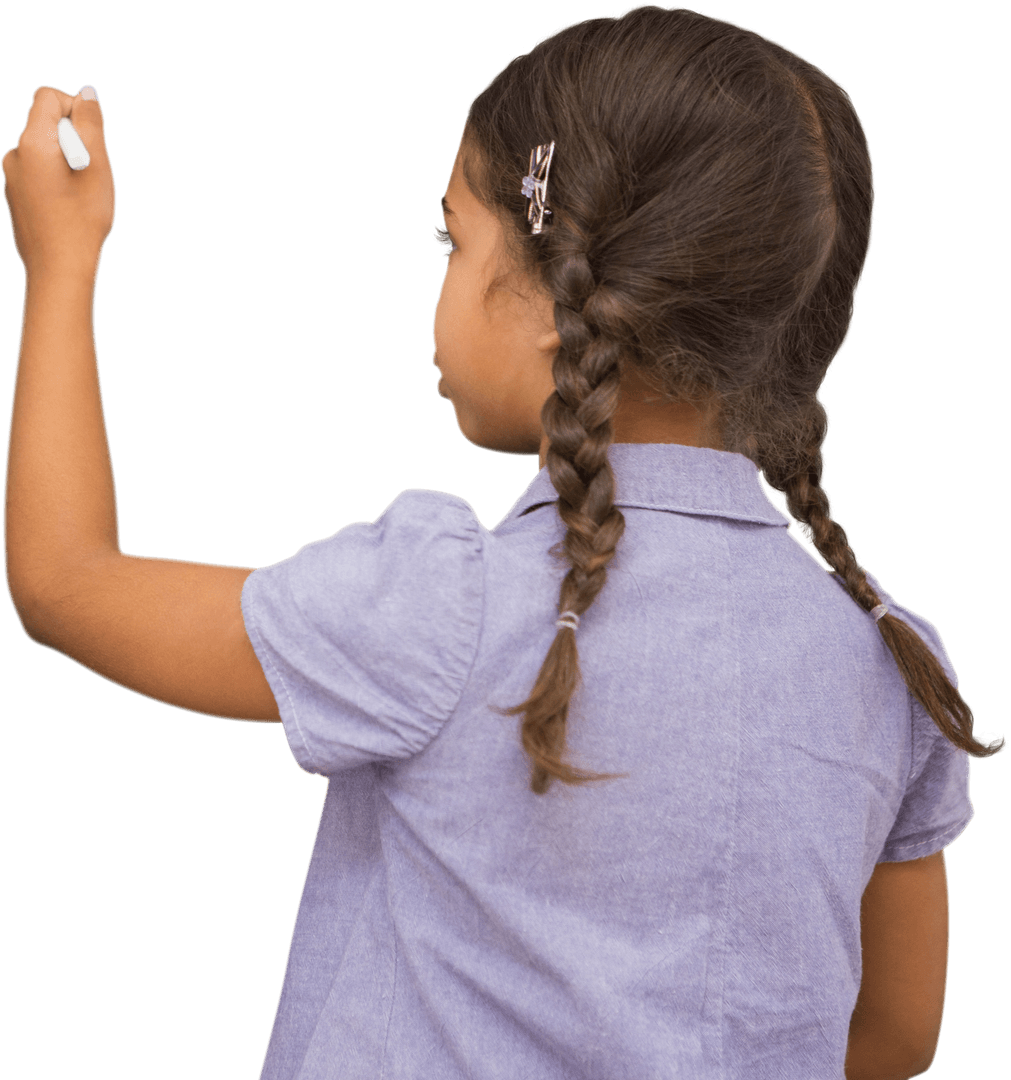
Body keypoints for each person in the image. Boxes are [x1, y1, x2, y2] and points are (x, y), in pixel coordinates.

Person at [2, 5, 1004, 1079]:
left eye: (454, 236)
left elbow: (62, 583)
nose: (441, 268)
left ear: (553, 300)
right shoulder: (894, 668)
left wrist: (62, 265)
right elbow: (891, 1039)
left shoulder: (445, 602)